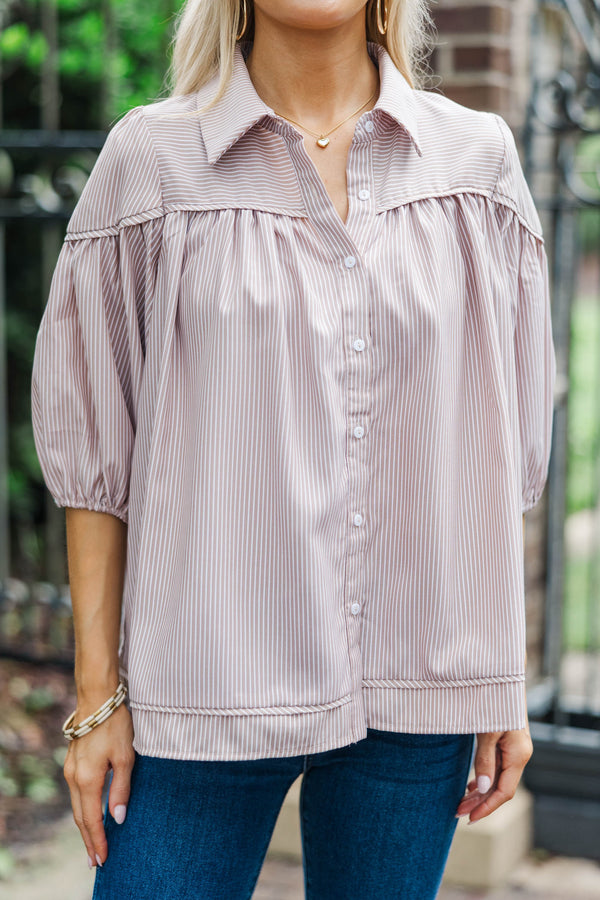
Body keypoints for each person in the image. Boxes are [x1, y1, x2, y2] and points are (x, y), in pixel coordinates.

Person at [30, 0, 556, 897]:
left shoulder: (478, 163)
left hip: (418, 684)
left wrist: (497, 680)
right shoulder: (152, 164)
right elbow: (94, 451)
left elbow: (500, 445)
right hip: (200, 688)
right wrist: (95, 701)